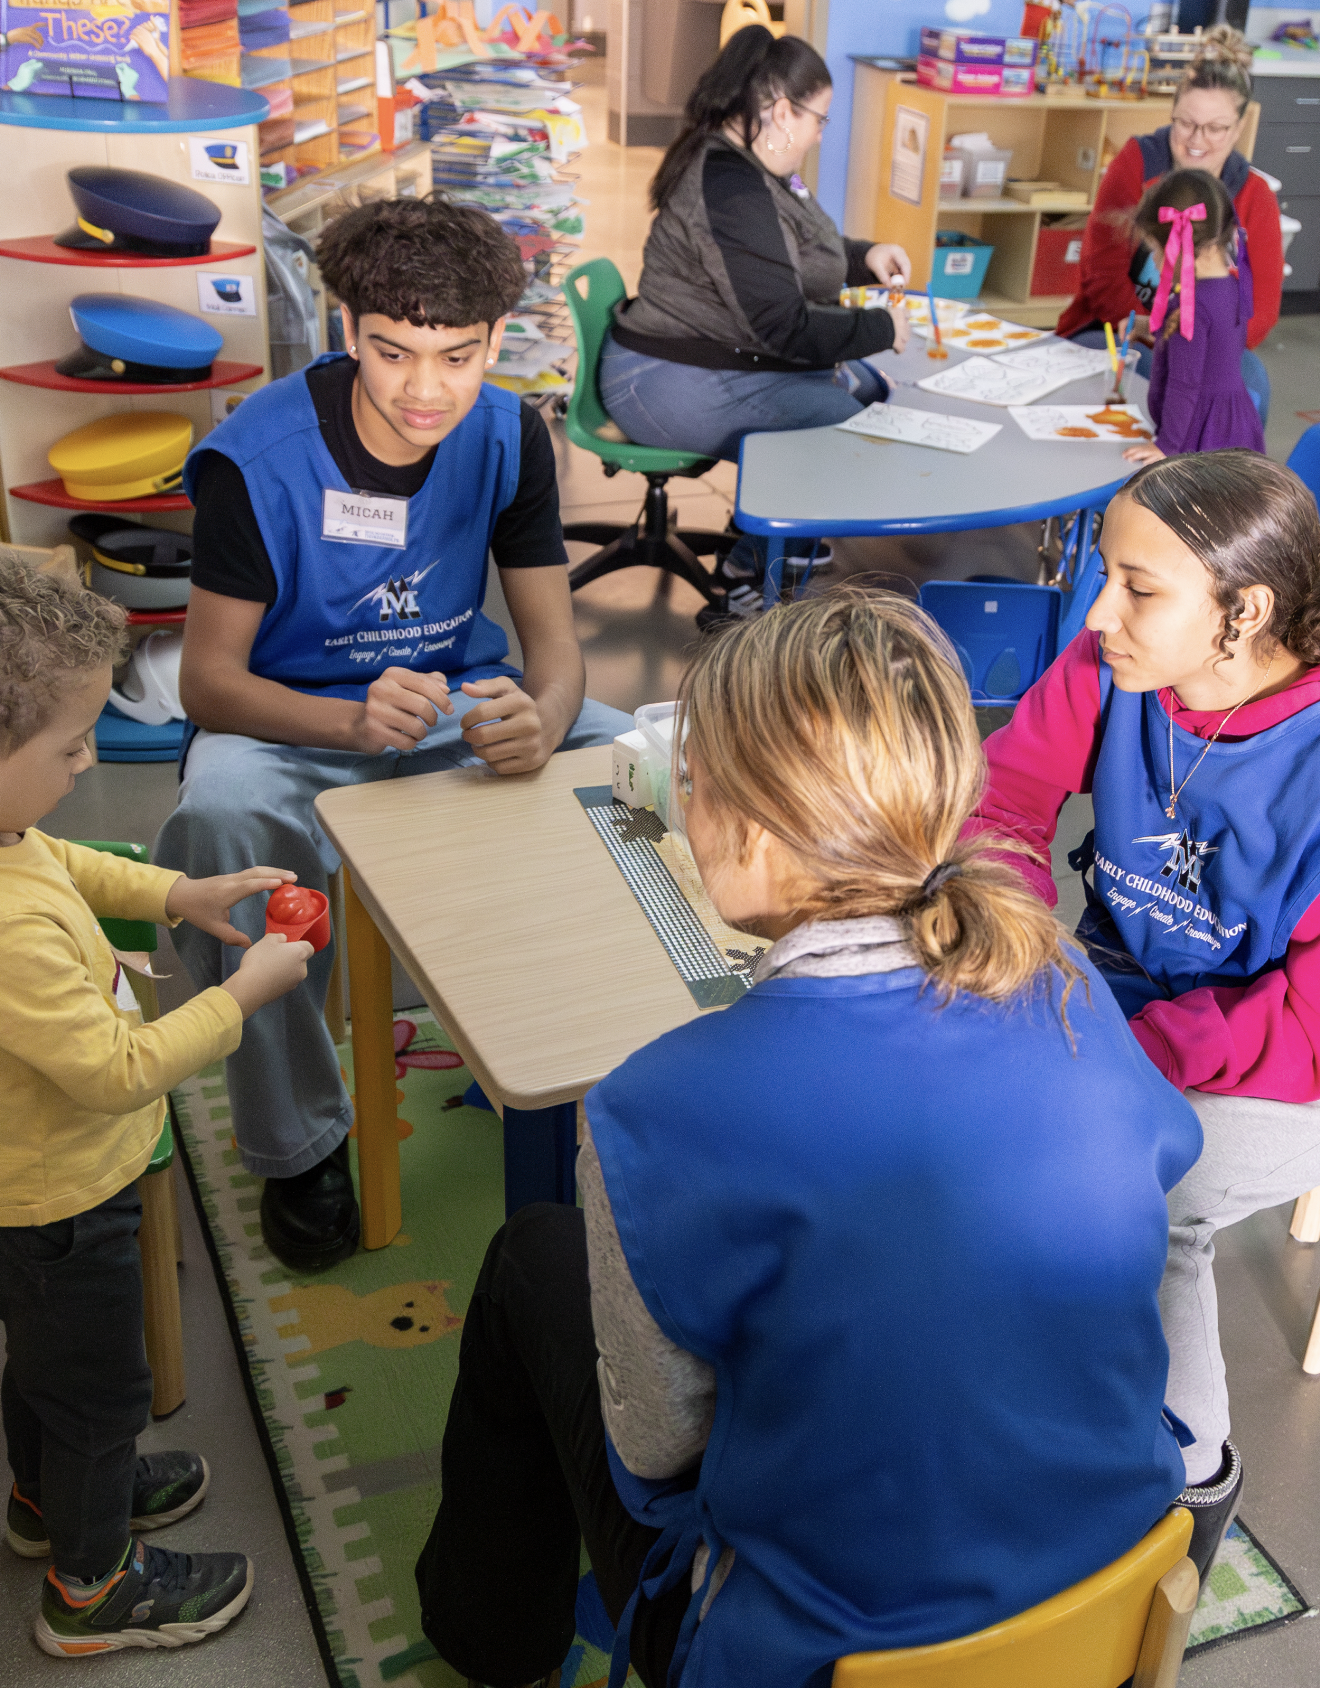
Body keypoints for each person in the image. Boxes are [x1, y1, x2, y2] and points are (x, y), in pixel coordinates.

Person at [414, 591, 1205, 1688]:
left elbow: (654, 1457)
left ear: (758, 828)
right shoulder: (1061, 979)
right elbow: (1162, 1159)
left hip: (811, 1655)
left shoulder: (656, 1104)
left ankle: (491, 1648)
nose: (684, 801)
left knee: (527, 1263)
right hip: (1107, 1591)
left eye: (692, 778)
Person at [967, 451, 1320, 1548]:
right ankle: (1017, 1357)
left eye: (1140, 588)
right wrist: (1014, 932)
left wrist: (1119, 1046)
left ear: (1243, 611)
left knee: (1146, 1189)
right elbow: (1007, 798)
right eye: (1106, 572)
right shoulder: (1120, 661)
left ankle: (1187, 1489)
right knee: (954, 1072)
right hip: (1153, 984)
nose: (1101, 611)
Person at [0, 548, 317, 1658]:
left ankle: (40, 1499)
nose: (89, 760)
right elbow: (115, 1070)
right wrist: (243, 992)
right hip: (57, 1198)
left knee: (43, 1360)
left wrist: (177, 891)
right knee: (104, 1396)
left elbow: (55, 859)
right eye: (70, 747)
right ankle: (92, 1589)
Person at [155, 195, 633, 1273]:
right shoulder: (255, 461)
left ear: (497, 343)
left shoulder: (512, 435)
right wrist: (344, 719)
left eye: (458, 356)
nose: (427, 389)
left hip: (449, 705)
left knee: (641, 757)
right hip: (286, 718)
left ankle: (595, 1052)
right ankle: (297, 1145)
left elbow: (556, 655)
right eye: (393, 351)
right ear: (345, 328)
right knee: (225, 817)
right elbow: (207, 683)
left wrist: (542, 717)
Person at [597, 25, 912, 626]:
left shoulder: (753, 164)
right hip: (661, 376)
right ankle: (745, 574)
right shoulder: (730, 183)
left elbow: (793, 255)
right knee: (843, 423)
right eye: (819, 119)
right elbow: (783, 328)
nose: (822, 133)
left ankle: (778, 535)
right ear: (782, 112)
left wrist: (864, 257)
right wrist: (881, 327)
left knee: (865, 387)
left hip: (699, 355)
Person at [1058, 29, 1279, 420]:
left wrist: (1203, 342)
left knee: (1251, 380)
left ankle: (1224, 478)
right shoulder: (1136, 165)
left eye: (1216, 128)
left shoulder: (1255, 195)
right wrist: (1162, 333)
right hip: (1117, 330)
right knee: (1158, 374)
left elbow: (1260, 309)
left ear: (1240, 128)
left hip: (1212, 345)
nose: (1198, 140)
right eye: (1186, 123)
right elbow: (1102, 279)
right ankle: (1164, 471)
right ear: (1171, 114)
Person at [1123, 170, 1265, 461]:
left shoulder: (1192, 308)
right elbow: (1211, 351)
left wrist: (1166, 446)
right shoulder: (1230, 286)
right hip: (1233, 424)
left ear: (1181, 246)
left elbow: (1184, 383)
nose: (1153, 258)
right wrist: (1147, 327)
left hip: (1200, 437)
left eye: (1154, 248)